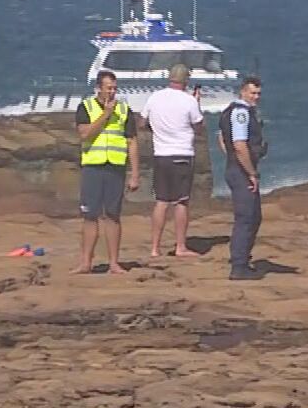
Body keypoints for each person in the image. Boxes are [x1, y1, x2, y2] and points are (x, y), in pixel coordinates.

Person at [74, 70, 141, 273]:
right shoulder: (85, 107)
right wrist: (105, 115)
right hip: (93, 167)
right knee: (90, 215)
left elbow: (132, 142)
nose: (112, 92)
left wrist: (135, 173)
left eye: (114, 88)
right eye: (108, 88)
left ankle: (114, 262)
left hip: (115, 167)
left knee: (113, 215)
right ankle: (86, 262)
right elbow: (85, 134)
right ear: (98, 88)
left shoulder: (124, 110)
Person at [143, 63, 205, 259]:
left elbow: (141, 122)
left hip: (161, 154)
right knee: (181, 202)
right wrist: (196, 103)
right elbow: (199, 127)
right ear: (185, 80)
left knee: (161, 201)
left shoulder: (155, 97)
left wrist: (158, 130)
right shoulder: (189, 101)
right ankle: (180, 246)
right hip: (182, 154)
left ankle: (154, 248)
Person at [218, 76, 266, 280]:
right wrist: (250, 173)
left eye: (258, 94)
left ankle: (242, 259)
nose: (256, 97)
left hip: (235, 168)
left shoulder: (232, 111)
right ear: (243, 92)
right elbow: (239, 145)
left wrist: (230, 157)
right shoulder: (240, 113)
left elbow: (221, 137)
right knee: (246, 218)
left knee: (254, 216)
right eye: (252, 93)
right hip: (241, 172)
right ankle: (239, 266)